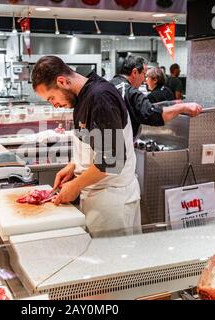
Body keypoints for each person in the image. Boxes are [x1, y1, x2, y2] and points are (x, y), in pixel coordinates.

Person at [31, 55, 141, 234]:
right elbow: (94, 145)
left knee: (110, 259)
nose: (55, 105)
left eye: (51, 98)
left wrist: (75, 186)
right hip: (98, 195)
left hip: (112, 201)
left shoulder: (100, 97)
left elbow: (112, 160)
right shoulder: (82, 98)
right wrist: (74, 165)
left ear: (62, 81)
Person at [110, 55, 202, 138]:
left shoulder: (109, 85)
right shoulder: (130, 92)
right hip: (119, 146)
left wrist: (172, 104)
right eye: (144, 74)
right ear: (134, 72)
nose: (144, 80)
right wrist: (182, 107)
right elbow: (152, 114)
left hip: (103, 141)